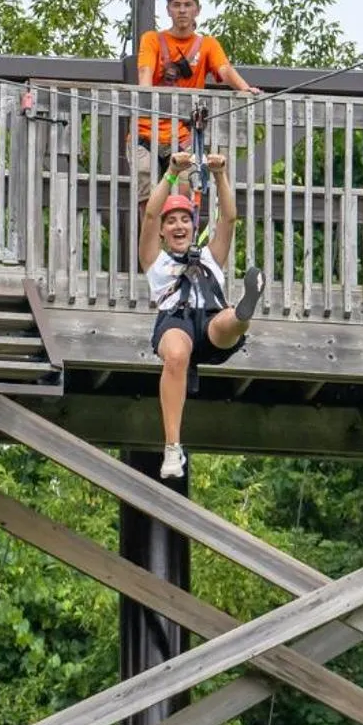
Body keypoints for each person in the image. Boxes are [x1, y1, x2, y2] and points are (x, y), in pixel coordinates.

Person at [139, 150, 265, 479]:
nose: (178, 225)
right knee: (177, 353)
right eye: (172, 222)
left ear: (194, 227)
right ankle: (172, 448)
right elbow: (150, 216)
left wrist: (221, 174)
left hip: (208, 320)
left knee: (229, 321)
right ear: (164, 232)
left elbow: (228, 218)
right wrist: (171, 173)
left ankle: (244, 311)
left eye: (184, 220)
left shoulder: (210, 256)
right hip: (175, 321)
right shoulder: (155, 260)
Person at [128, 0, 261, 205]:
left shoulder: (207, 44)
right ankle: (149, 239)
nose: (182, 10)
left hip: (182, 134)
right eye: (176, 5)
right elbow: (145, 71)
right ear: (168, 10)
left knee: (183, 192)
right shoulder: (152, 39)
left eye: (187, 5)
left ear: (197, 10)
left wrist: (244, 88)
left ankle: (179, 238)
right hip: (145, 130)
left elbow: (224, 69)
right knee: (147, 196)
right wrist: (145, 97)